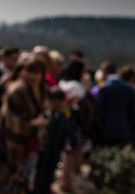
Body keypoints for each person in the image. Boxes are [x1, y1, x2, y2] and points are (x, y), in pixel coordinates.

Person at [0, 57, 48, 194]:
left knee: (24, 182)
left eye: (36, 72)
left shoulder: (41, 91)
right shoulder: (17, 90)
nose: (32, 76)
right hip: (12, 144)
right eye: (29, 71)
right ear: (22, 71)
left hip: (31, 146)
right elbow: (11, 120)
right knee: (7, 183)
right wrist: (34, 123)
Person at [58, 60, 86, 192]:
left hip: (64, 120)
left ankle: (65, 180)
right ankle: (68, 181)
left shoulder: (63, 82)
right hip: (72, 121)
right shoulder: (76, 86)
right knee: (72, 151)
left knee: (67, 151)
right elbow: (69, 104)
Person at [34, 87, 68, 194]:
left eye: (60, 100)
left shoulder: (65, 114)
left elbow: (66, 131)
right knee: (40, 175)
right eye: (55, 100)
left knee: (49, 175)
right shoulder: (46, 115)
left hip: (55, 151)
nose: (58, 103)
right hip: (43, 151)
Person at [96, 61, 135, 147]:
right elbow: (132, 111)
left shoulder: (103, 88)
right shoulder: (128, 88)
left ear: (105, 71)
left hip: (106, 130)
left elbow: (100, 111)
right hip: (124, 129)